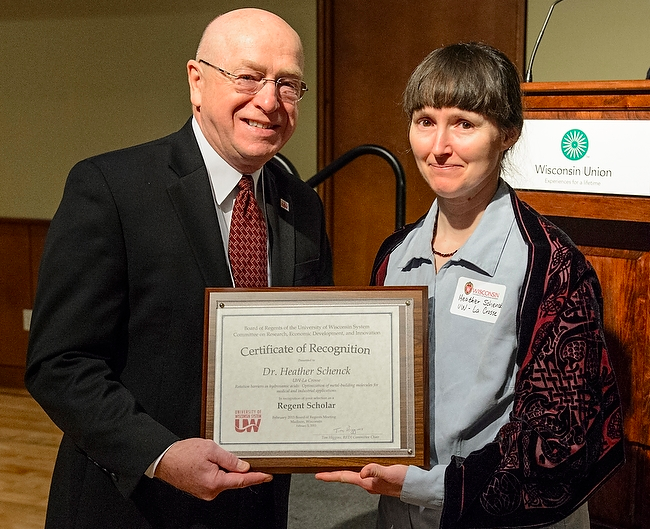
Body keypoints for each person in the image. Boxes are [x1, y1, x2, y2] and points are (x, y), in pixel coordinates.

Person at [25, 8, 332, 529]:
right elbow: (60, 363)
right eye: (249, 77)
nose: (269, 101)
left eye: (288, 84)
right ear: (196, 80)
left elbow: (314, 341)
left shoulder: (302, 206)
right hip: (134, 505)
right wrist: (161, 456)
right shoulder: (111, 189)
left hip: (255, 506)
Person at [316, 42, 624, 529]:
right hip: (399, 515)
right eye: (424, 120)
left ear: (507, 134)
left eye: (464, 123)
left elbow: (560, 441)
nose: (439, 146)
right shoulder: (393, 257)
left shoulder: (554, 266)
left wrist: (425, 486)